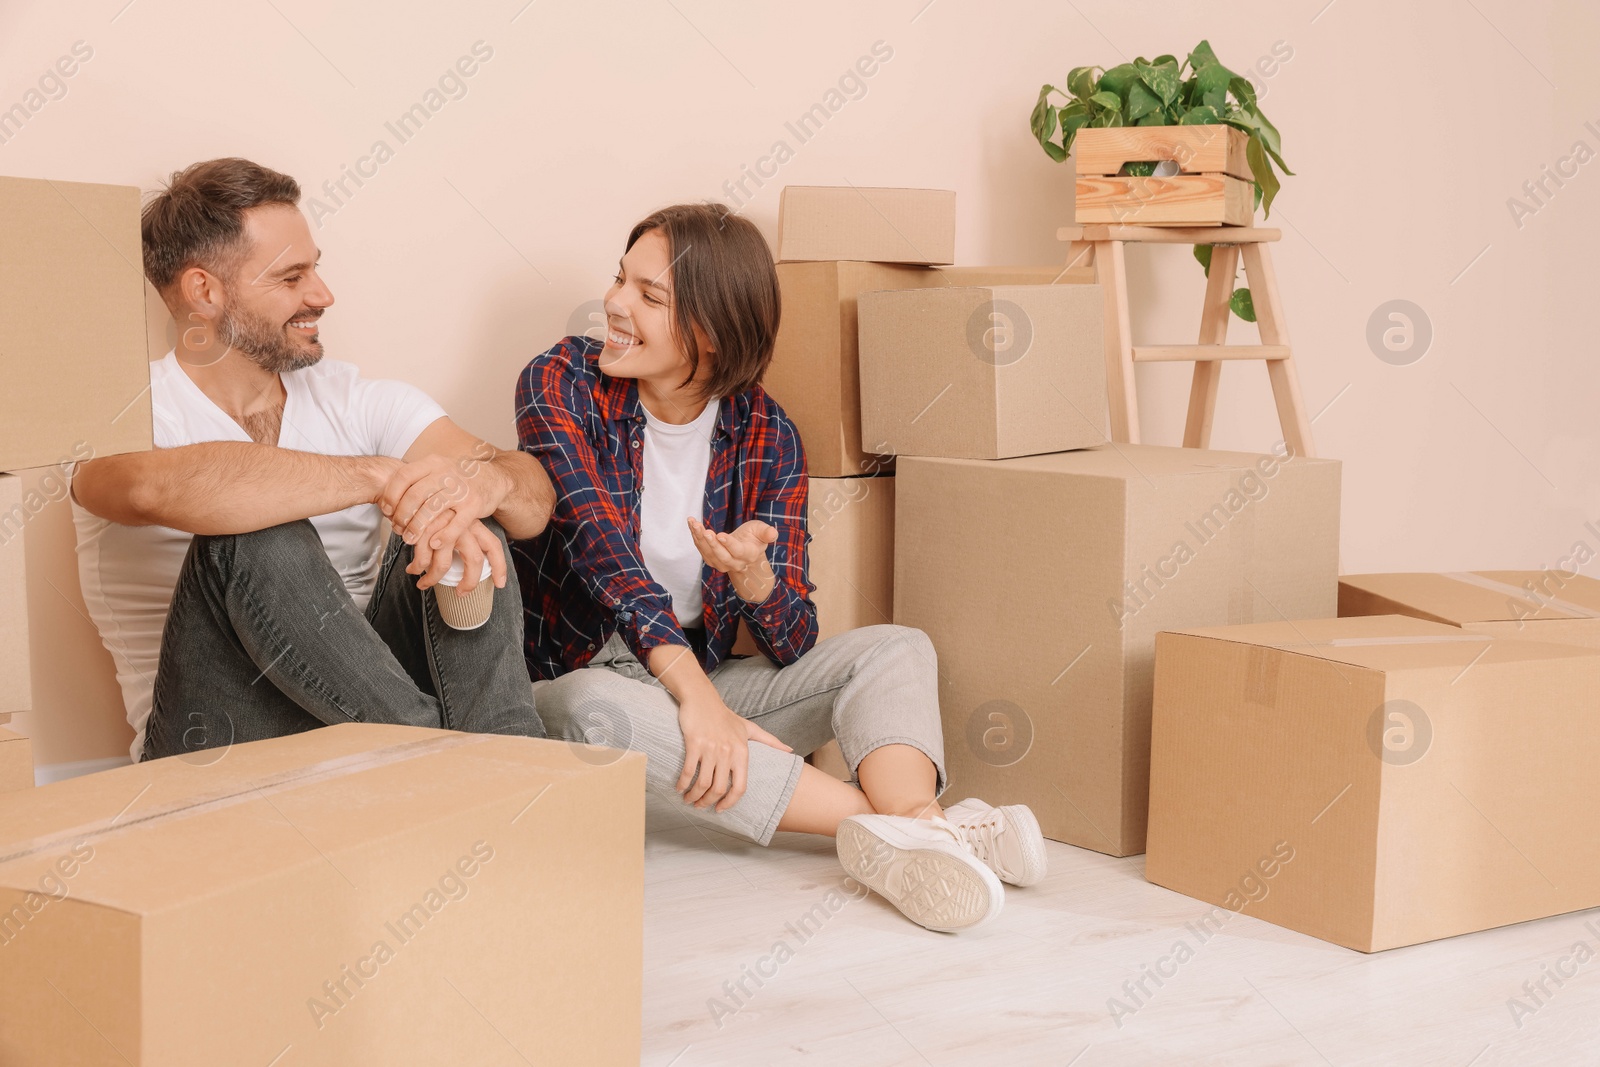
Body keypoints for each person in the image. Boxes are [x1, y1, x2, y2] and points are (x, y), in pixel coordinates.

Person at [512, 203, 1046, 932]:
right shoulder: (562, 381)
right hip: (592, 676)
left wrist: (756, 583)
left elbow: (795, 641)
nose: (614, 303)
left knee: (896, 647)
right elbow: (602, 553)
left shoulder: (767, 432)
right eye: (619, 279)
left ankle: (918, 823)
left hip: (709, 691)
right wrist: (699, 702)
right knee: (585, 709)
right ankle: (903, 827)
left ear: (710, 330)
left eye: (649, 295)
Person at [71, 157, 551, 762]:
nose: (322, 295)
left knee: (462, 514)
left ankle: (510, 764)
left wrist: (479, 489)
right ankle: (461, 766)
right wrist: (373, 474)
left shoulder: (355, 397)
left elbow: (531, 500)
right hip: (217, 744)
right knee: (255, 535)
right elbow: (142, 490)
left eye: (315, 269)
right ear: (205, 292)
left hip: (369, 710)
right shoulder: (121, 410)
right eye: (291, 277)